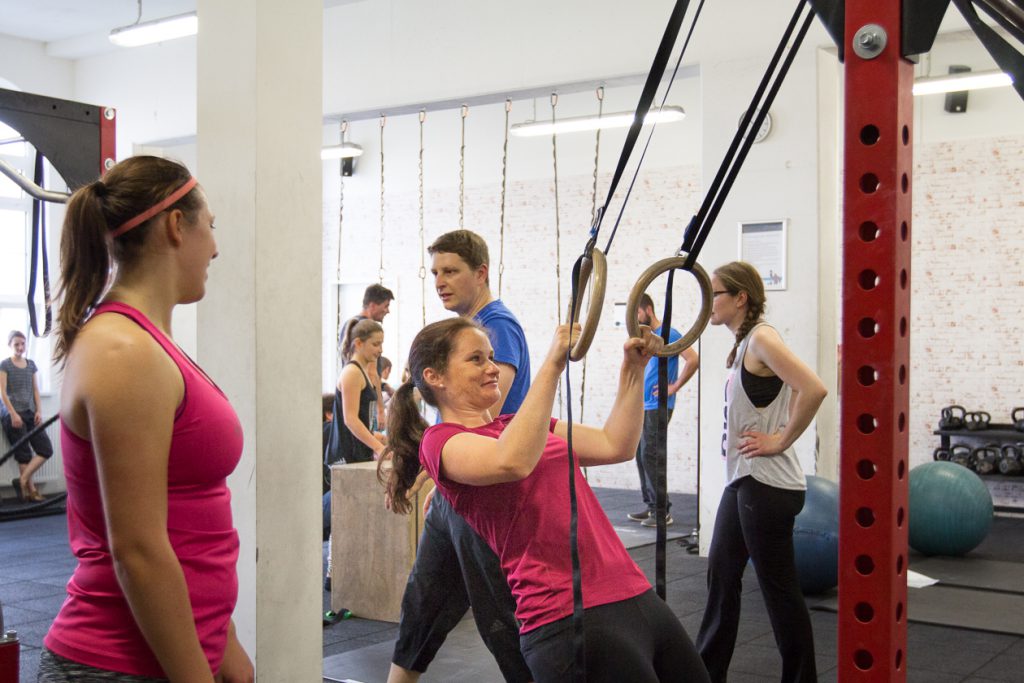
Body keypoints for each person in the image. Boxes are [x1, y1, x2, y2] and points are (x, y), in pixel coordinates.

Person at [383, 318, 710, 683]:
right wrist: (552, 363)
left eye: (491, 357)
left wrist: (633, 371)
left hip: (634, 595)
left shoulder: (520, 425)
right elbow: (513, 460)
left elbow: (615, 444)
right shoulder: (440, 442)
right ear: (434, 376)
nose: (492, 368)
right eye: (476, 359)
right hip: (566, 618)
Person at [40, 156, 253, 682]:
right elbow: (137, 548)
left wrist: (226, 651)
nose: (216, 246)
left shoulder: (147, 344)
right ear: (177, 226)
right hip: (116, 663)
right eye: (212, 226)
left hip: (178, 655)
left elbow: (190, 519)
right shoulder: (122, 351)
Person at [386, 229, 531, 683]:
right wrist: (441, 481)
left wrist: (442, 474)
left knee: (502, 618)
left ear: (481, 273)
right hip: (460, 490)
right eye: (435, 272)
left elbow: (485, 411)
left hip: (487, 492)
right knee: (424, 599)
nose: (440, 281)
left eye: (451, 271)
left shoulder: (495, 326)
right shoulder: (467, 330)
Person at [695, 261, 827, 683]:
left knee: (779, 592)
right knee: (721, 572)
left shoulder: (762, 339)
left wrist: (781, 440)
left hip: (768, 485)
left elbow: (814, 387)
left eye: (714, 293)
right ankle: (706, 672)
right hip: (746, 482)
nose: (708, 302)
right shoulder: (745, 343)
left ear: (740, 298)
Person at [323, 318, 387, 591]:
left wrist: (378, 432)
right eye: (375, 344)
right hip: (345, 453)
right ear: (358, 344)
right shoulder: (350, 373)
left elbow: (372, 410)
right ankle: (333, 575)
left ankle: (355, 572)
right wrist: (377, 445)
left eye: (382, 344)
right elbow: (350, 420)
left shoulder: (369, 369)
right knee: (343, 518)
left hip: (361, 449)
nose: (379, 349)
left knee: (359, 516)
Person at [626, 293, 699, 528]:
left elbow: (693, 359)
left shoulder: (669, 333)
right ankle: (651, 506)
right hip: (645, 404)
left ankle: (662, 511)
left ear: (648, 310)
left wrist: (674, 387)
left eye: (638, 313)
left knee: (652, 454)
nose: (636, 319)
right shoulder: (648, 338)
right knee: (641, 453)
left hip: (659, 405)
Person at [1, 330, 54, 501]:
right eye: (16, 344)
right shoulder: (5, 365)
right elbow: (1, 391)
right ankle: (30, 492)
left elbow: (36, 391)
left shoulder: (31, 365)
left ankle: (22, 480)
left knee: (45, 449)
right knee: (24, 454)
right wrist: (13, 414)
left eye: (22, 344)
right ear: (10, 345)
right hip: (13, 415)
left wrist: (38, 410)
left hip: (30, 413)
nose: (20, 347)